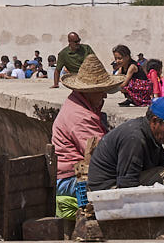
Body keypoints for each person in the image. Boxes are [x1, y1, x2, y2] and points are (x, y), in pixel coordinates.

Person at [52, 54, 121, 221]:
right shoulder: (80, 116)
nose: (104, 96)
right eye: (101, 91)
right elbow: (100, 154)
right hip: (70, 180)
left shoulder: (82, 105)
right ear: (90, 92)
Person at [89, 98, 164, 191]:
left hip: (117, 183)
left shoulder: (152, 135)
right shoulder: (135, 138)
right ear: (154, 121)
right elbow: (127, 183)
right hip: (107, 188)